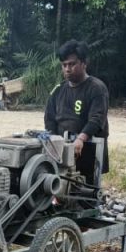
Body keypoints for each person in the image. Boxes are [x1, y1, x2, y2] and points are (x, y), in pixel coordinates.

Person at [44, 39, 110, 178]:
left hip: (89, 149)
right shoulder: (58, 90)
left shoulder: (96, 88)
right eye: (64, 65)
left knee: (86, 191)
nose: (67, 69)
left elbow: (97, 118)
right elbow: (49, 119)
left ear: (84, 63)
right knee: (59, 189)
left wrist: (81, 138)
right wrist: (53, 141)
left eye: (72, 64)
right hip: (62, 150)